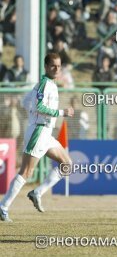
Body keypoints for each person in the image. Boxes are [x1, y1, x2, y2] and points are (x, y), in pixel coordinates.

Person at [0, 53, 74, 222]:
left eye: (59, 66)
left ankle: (37, 192)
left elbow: (26, 102)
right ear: (46, 67)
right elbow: (39, 106)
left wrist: (33, 112)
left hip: (45, 132)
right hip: (39, 132)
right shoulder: (44, 85)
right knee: (26, 172)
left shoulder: (48, 85)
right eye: (53, 66)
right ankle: (3, 206)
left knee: (67, 164)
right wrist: (62, 112)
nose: (56, 69)